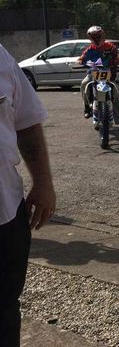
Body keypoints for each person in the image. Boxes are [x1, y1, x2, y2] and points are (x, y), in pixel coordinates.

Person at [0, 43, 56, 346]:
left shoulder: (0, 57)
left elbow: (27, 122)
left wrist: (44, 183)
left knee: (5, 310)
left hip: (5, 214)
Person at [78, 26, 119, 135]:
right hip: (93, 75)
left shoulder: (110, 47)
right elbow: (80, 59)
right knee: (84, 84)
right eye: (93, 37)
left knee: (116, 97)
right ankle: (86, 108)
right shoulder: (89, 50)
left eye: (98, 36)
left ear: (102, 36)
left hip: (108, 75)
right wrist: (80, 63)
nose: (96, 38)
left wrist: (118, 60)